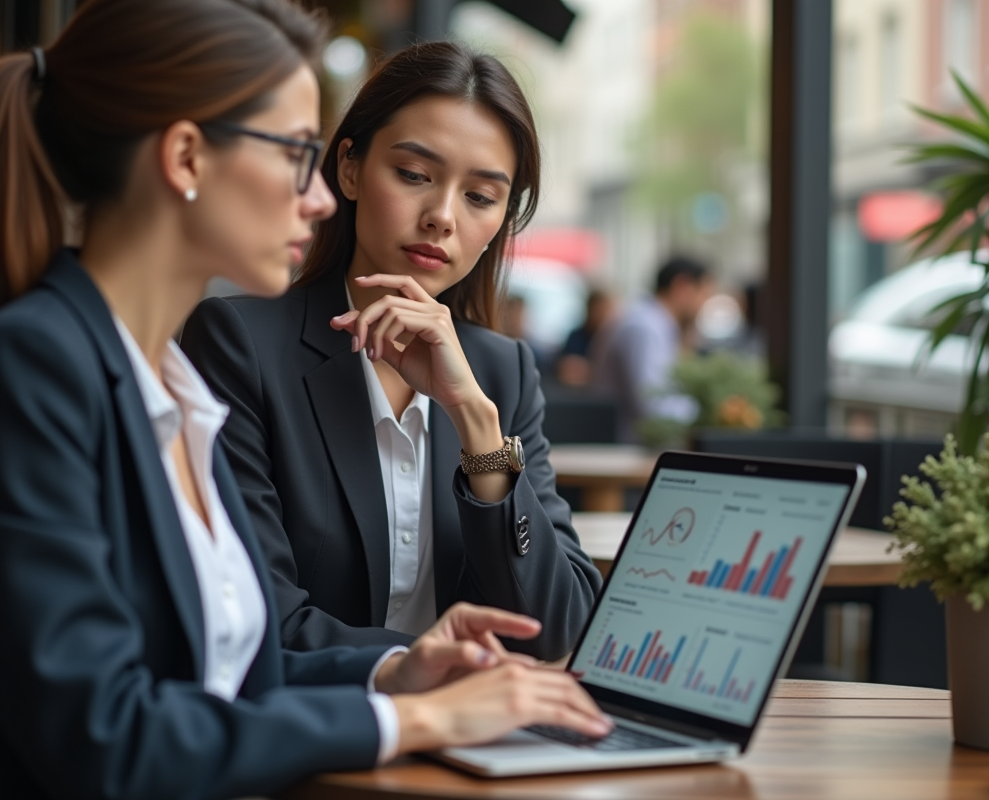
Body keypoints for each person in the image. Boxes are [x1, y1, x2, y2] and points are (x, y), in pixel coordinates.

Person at [0, 2, 610, 797]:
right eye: (294, 154)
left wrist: (402, 670)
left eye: (483, 196)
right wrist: (417, 717)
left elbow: (237, 662)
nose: (314, 198)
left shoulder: (164, 381)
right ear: (185, 158)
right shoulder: (47, 362)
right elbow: (106, 729)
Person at [180, 41, 600, 659]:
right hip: (327, 734)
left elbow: (558, 626)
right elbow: (255, 616)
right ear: (349, 168)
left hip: (476, 741)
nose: (442, 217)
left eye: (480, 197)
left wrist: (478, 427)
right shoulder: (240, 344)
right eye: (413, 175)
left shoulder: (501, 373)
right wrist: (424, 672)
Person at [592, 256, 714, 442]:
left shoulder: (653, 322)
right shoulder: (645, 327)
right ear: (682, 286)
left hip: (634, 449)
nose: (703, 306)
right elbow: (654, 405)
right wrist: (711, 415)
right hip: (627, 455)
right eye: (704, 295)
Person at [556, 288, 614, 387]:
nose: (599, 314)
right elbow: (567, 368)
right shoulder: (576, 336)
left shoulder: (609, 338)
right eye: (597, 309)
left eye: (604, 310)